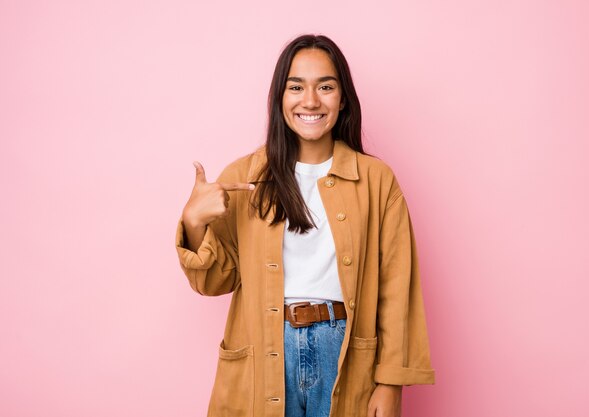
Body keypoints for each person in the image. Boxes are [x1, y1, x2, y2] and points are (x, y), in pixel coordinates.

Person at [175, 34, 435, 417]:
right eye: (296, 87)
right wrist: (193, 222)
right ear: (279, 97)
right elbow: (214, 280)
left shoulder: (377, 181)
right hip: (265, 350)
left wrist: (390, 381)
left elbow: (397, 288)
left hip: (343, 352)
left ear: (343, 98)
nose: (310, 101)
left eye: (325, 87)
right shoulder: (245, 176)